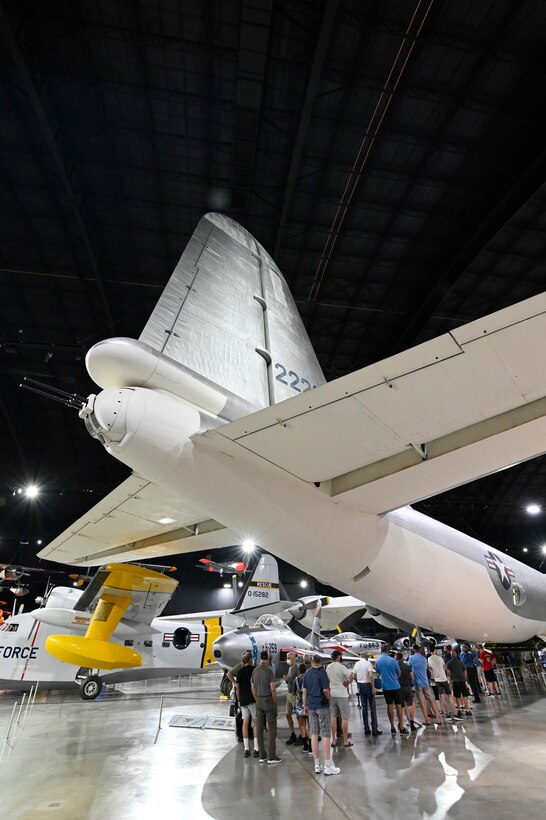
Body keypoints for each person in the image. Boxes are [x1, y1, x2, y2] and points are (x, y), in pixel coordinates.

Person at [303, 655, 340, 775]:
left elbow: (304, 691)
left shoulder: (307, 674)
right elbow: (326, 690)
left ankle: (317, 765)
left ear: (312, 662)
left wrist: (305, 705)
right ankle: (328, 764)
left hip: (311, 706)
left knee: (313, 734)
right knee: (326, 735)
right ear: (320, 662)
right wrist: (329, 699)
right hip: (322, 706)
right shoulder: (322, 672)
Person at [251, 649, 281, 764]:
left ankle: (262, 755)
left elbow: (252, 687)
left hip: (258, 700)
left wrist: (256, 698)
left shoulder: (255, 671)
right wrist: (274, 703)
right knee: (272, 727)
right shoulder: (269, 672)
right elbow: (273, 689)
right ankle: (272, 756)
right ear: (267, 659)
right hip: (268, 700)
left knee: (259, 728)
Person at [374, 644, 408, 735]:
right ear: (388, 650)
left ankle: (392, 727)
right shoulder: (393, 660)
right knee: (398, 705)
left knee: (389, 705)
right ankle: (401, 726)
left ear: (381, 650)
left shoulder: (378, 661)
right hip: (395, 686)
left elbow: (378, 671)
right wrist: (394, 678)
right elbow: (399, 673)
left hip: (385, 686)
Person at [326, 650, 353, 747]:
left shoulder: (328, 667)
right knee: (344, 717)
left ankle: (334, 740)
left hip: (333, 693)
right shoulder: (342, 667)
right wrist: (348, 682)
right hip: (342, 694)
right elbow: (351, 675)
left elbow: (327, 679)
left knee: (333, 717)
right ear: (339, 657)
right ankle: (345, 741)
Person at [408, 645, 442, 725]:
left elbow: (409, 667)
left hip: (417, 683)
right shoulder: (424, 658)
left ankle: (426, 719)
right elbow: (427, 668)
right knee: (431, 700)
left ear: (413, 649)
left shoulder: (411, 658)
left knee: (422, 702)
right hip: (425, 682)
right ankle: (438, 718)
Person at [236, 651, 260, 757]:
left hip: (243, 701)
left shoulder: (240, 671)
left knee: (245, 723)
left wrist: (239, 700)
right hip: (252, 700)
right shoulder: (254, 670)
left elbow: (237, 687)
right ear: (250, 659)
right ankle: (256, 748)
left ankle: (246, 748)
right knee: (255, 723)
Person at [354, 651, 382, 736]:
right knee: (372, 708)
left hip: (361, 686)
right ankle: (374, 729)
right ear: (366, 657)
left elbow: (354, 675)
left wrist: (358, 682)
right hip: (368, 686)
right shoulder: (368, 663)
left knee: (364, 707)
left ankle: (366, 729)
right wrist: (373, 687)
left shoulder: (357, 664)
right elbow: (371, 675)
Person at [427, 649, 461, 721]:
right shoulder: (440, 658)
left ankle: (447, 714)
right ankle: (455, 713)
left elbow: (430, 669)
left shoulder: (429, 659)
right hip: (444, 679)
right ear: (435, 651)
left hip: (437, 680)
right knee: (450, 696)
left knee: (442, 697)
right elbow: (444, 667)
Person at [396, 652, 419, 731]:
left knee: (400, 707)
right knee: (410, 705)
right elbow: (412, 678)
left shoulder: (395, 667)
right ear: (402, 658)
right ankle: (412, 723)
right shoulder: (407, 666)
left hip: (399, 689)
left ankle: (400, 723)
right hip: (408, 687)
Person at [446, 647, 471, 716]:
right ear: (456, 655)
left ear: (451, 655)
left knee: (457, 696)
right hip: (462, 681)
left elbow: (448, 672)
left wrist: (451, 678)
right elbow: (465, 672)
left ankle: (459, 710)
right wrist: (464, 679)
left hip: (455, 681)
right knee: (465, 695)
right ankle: (467, 710)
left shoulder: (449, 663)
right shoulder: (461, 663)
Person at [283, 652, 300, 745]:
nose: (287, 659)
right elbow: (290, 681)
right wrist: (287, 680)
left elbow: (298, 681)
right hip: (289, 694)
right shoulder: (289, 668)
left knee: (298, 716)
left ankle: (302, 734)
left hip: (294, 694)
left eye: (288, 658)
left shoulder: (296, 668)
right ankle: (292, 733)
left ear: (293, 659)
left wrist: (289, 679)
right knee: (287, 714)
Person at [294, 663, 310, 753]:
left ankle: (305, 745)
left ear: (299, 670)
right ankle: (311, 746)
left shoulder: (296, 679)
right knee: (310, 724)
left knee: (302, 725)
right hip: (308, 702)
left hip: (299, 704)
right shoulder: (308, 678)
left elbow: (293, 691)